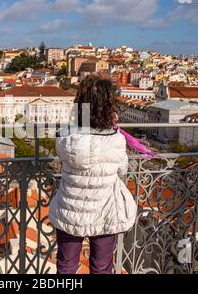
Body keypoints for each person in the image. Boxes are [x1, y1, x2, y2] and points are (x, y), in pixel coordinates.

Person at [49, 75, 138, 274]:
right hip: (104, 212)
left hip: (70, 209)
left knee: (66, 266)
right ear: (109, 106)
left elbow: (61, 156)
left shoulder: (66, 137)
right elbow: (123, 169)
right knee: (101, 267)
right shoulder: (116, 140)